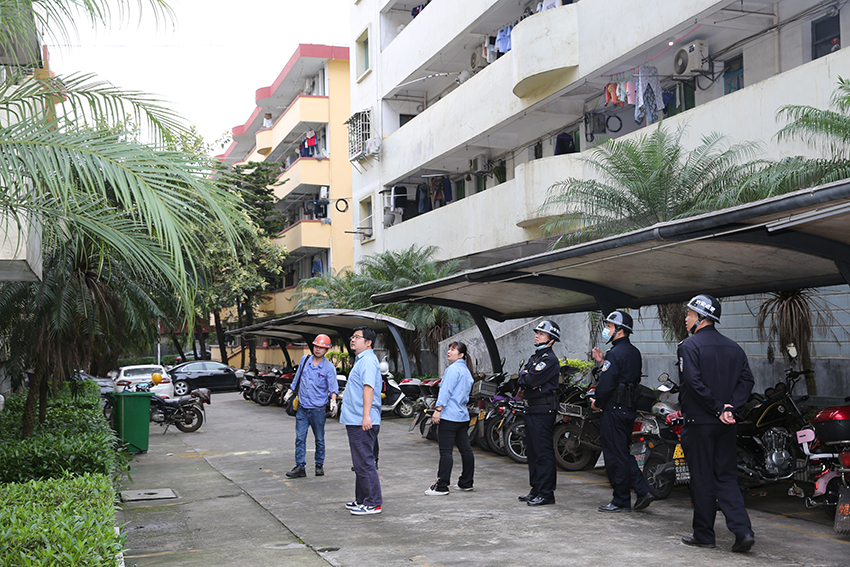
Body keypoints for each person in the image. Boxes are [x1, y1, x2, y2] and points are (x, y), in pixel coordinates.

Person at [678, 294, 755, 553]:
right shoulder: (734, 347)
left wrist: (717, 408)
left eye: (690, 314)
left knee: (702, 478)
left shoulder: (689, 346)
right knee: (727, 477)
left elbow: (693, 382)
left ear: (701, 318)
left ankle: (704, 535)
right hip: (726, 423)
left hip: (699, 422)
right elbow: (747, 381)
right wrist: (731, 408)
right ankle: (743, 531)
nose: (686, 319)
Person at [591, 310, 654, 513]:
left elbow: (606, 384)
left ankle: (621, 499)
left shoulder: (614, 353)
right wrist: (603, 362)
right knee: (622, 453)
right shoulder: (633, 352)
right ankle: (641, 491)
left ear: (620, 330)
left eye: (609, 326)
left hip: (613, 411)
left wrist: (597, 402)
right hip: (628, 410)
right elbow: (623, 377)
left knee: (614, 456)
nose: (606, 330)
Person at [517, 320, 561, 506]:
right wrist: (526, 376)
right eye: (537, 333)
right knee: (533, 452)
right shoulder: (535, 358)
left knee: (543, 452)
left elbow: (530, 380)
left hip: (543, 410)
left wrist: (527, 376)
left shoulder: (549, 360)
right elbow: (522, 378)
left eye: (541, 334)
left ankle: (546, 493)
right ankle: (536, 489)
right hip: (532, 408)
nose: (537, 336)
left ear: (551, 340)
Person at [340, 326, 383, 515]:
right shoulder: (362, 360)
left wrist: (366, 416)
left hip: (362, 420)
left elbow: (369, 388)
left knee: (365, 462)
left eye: (357, 337)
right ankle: (362, 499)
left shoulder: (367, 361)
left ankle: (373, 503)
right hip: (356, 418)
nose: (353, 339)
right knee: (359, 463)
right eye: (353, 336)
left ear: (368, 342)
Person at [284, 334, 339, 479]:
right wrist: (290, 390)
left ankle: (319, 464)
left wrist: (333, 401)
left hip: (318, 410)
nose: (318, 349)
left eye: (321, 347)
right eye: (316, 346)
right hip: (302, 408)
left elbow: (333, 388)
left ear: (326, 350)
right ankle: (300, 467)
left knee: (319, 439)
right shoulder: (305, 360)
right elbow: (297, 377)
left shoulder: (329, 368)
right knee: (300, 438)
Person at [426, 341, 475, 495]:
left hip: (449, 416)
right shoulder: (466, 371)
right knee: (466, 450)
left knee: (446, 452)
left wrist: (437, 410)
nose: (449, 351)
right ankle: (466, 482)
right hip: (462, 416)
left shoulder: (452, 369)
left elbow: (445, 391)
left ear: (461, 355)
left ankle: (441, 486)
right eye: (449, 349)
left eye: (453, 350)